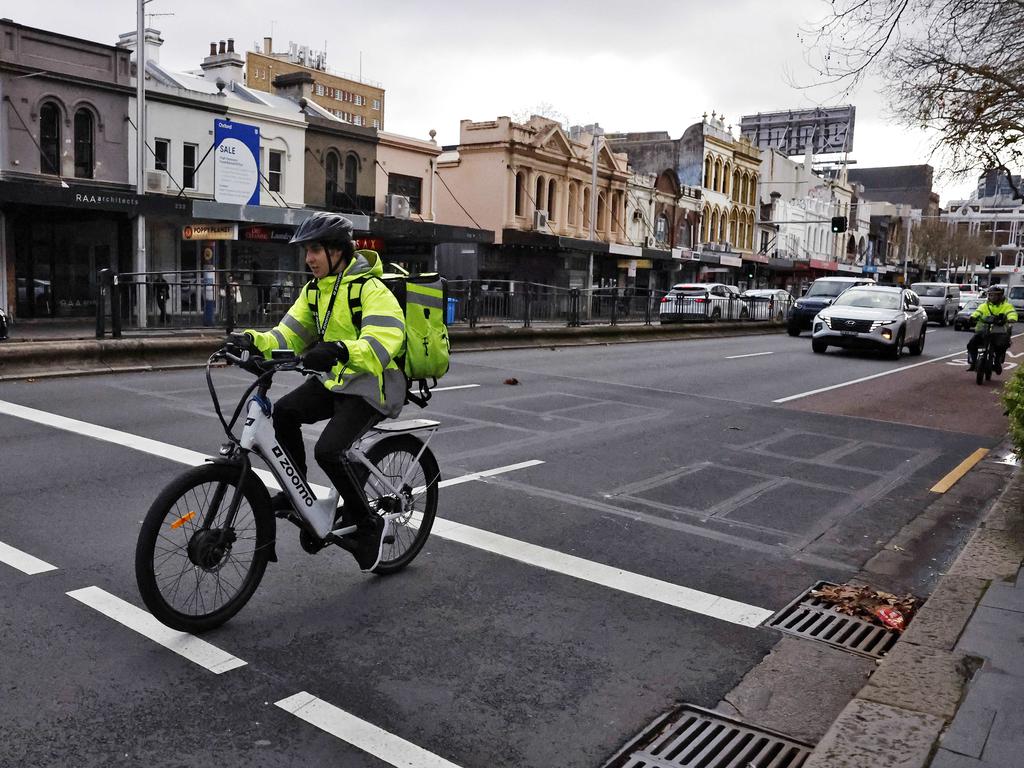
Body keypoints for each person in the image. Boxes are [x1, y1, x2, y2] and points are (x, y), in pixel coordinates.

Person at [225, 212, 406, 572]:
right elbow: (287, 334)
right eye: (307, 251)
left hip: (372, 383)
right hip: (335, 379)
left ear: (338, 251)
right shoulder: (315, 292)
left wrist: (341, 349)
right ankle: (298, 495)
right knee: (285, 413)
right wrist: (252, 340)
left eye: (315, 250)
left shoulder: (370, 289)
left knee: (330, 450)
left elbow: (386, 338)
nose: (309, 258)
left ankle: (368, 529)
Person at [967, 284, 1017, 374]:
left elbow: (1011, 312)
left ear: (1000, 295)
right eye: (990, 295)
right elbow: (978, 312)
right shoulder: (984, 305)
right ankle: (973, 363)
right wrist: (973, 317)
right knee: (971, 344)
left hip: (999, 332)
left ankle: (997, 361)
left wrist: (1011, 318)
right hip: (983, 330)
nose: (992, 297)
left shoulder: (1007, 305)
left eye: (995, 295)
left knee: (1002, 345)